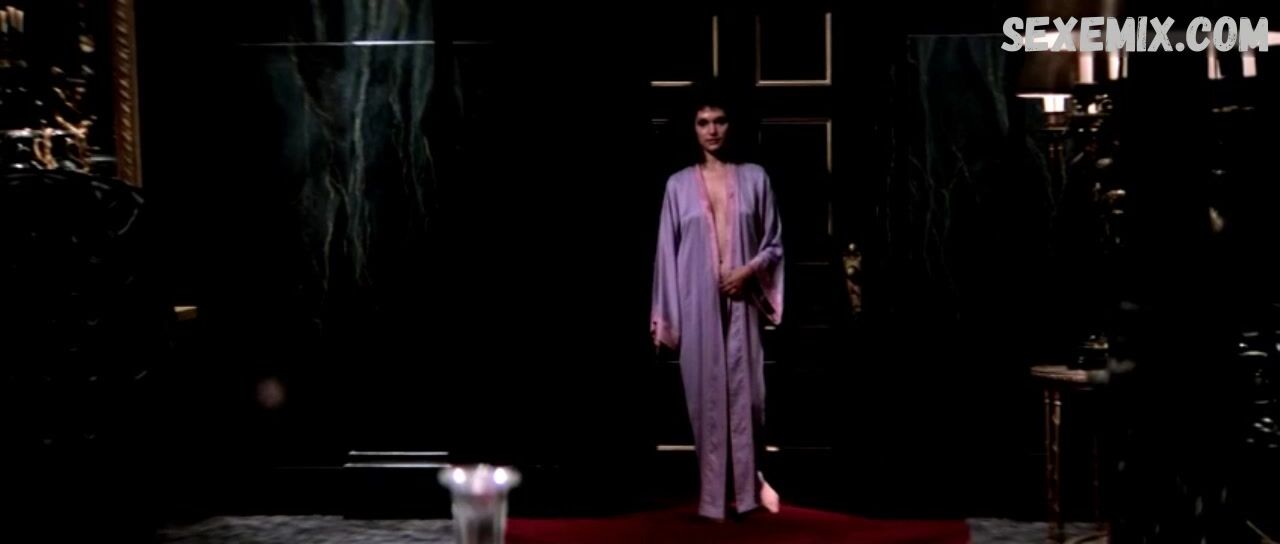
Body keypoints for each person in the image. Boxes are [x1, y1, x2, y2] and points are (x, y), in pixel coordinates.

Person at [650, 83, 784, 520]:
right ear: (692, 128)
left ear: (732, 124)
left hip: (744, 301)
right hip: (697, 307)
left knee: (750, 397)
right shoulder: (677, 186)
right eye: (703, 122)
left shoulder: (755, 178)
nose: (712, 130)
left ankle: (748, 491)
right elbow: (666, 254)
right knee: (704, 398)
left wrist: (747, 272)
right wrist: (666, 319)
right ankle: (712, 497)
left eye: (720, 120)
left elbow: (774, 244)